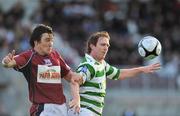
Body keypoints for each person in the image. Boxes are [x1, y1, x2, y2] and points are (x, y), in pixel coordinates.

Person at [68, 31, 161, 116]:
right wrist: (76, 99)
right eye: (103, 44)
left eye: (107, 45)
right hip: (83, 111)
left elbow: (119, 74)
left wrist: (141, 69)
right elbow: (74, 80)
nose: (106, 48)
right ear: (92, 46)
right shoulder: (89, 65)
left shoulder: (102, 64)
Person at [1, 24, 81, 116]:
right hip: (43, 109)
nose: (51, 43)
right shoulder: (28, 56)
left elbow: (70, 76)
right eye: (47, 40)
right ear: (36, 42)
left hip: (61, 108)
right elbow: (9, 63)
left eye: (52, 40)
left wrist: (81, 77)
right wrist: (6, 62)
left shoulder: (56, 55)